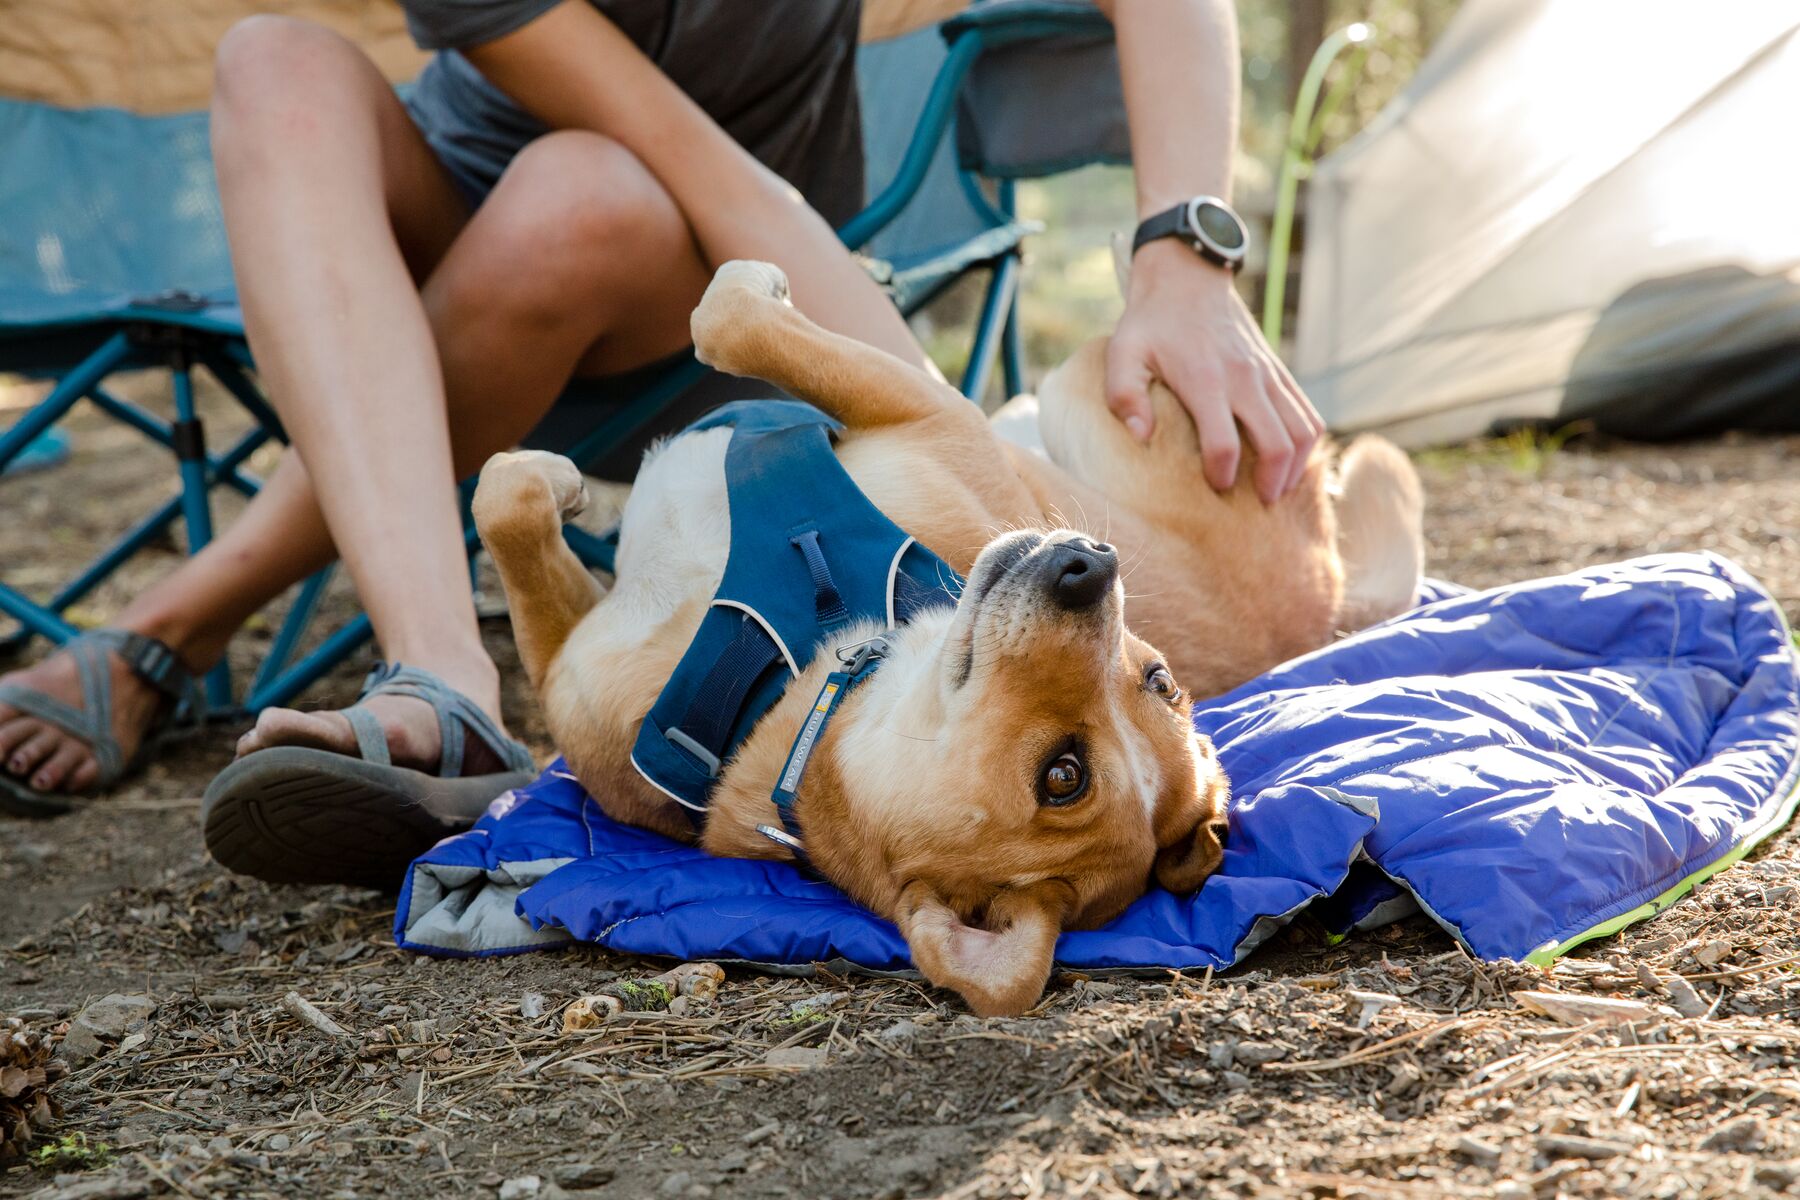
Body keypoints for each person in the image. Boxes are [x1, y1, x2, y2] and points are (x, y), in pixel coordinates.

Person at [0, 0, 1321, 881]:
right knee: (273, 61)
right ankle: (440, 671)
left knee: (588, 195)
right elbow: (685, 149)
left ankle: (187, 616)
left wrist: (1183, 256)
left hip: (692, 308)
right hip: (432, 275)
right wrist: (929, 413)